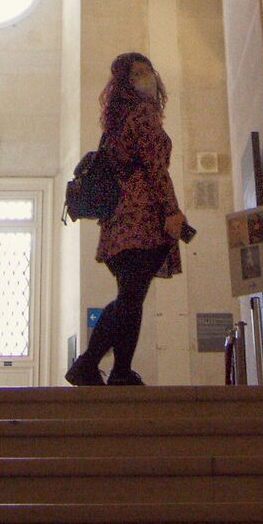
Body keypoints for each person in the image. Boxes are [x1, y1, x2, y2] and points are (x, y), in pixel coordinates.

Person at [66, 52, 192, 387]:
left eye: (148, 69)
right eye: (136, 72)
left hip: (117, 225)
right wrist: (171, 211)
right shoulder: (143, 112)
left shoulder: (116, 122)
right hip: (142, 220)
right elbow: (155, 169)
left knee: (131, 296)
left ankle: (121, 370)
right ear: (125, 82)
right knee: (131, 297)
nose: (146, 76)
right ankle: (88, 363)